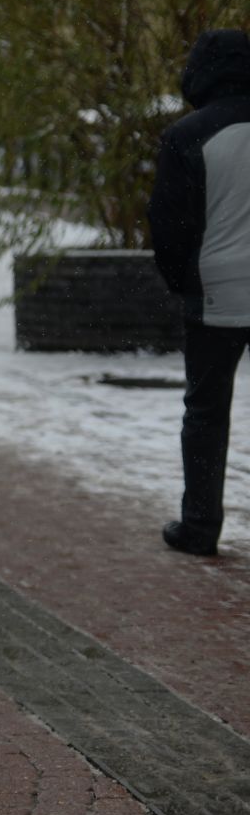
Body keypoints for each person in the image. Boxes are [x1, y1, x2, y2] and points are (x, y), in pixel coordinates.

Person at [150, 28, 250, 558]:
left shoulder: (188, 134)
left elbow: (169, 226)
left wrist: (184, 283)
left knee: (207, 412)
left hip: (216, 295)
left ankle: (200, 526)